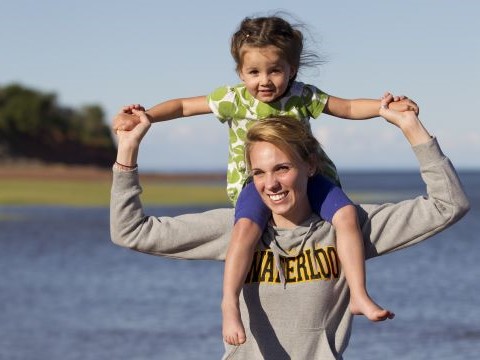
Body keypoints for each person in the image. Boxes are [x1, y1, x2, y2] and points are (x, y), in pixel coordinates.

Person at [113, 14, 419, 345]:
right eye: (253, 72)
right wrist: (147, 116)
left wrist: (386, 108)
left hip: (311, 178)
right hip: (254, 183)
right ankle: (229, 303)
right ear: (240, 72)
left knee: (346, 216)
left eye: (275, 70)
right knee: (244, 229)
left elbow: (346, 107)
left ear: (292, 70)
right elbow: (184, 106)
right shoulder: (233, 99)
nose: (265, 80)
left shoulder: (303, 95)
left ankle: (358, 294)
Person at [111, 94, 469, 359]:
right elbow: (130, 231)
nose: (271, 184)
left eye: (282, 168)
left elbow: (448, 204)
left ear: (310, 165)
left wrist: (411, 128)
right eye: (260, 173)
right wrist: (127, 151)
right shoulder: (235, 230)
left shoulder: (348, 228)